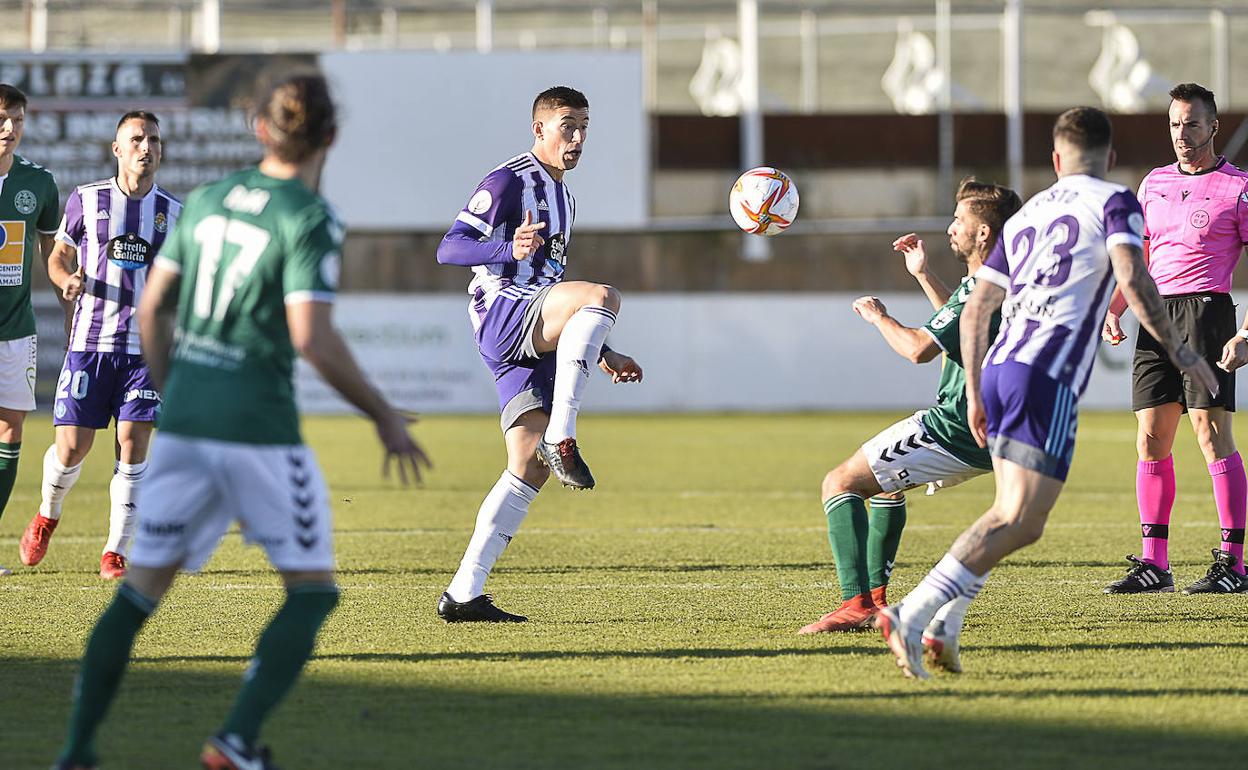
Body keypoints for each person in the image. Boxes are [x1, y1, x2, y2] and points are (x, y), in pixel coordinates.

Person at [53, 72, 430, 770]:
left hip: (189, 424)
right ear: (330, 138)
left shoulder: (206, 202)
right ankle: (233, 740)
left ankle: (75, 751)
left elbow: (150, 308)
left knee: (138, 596)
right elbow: (312, 337)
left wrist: (177, 390)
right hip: (259, 431)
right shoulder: (310, 215)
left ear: (260, 129)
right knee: (312, 595)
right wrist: (383, 415)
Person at [876, 106, 1219, 680]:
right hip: (1046, 376)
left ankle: (943, 627)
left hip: (1004, 364)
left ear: (1056, 161)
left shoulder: (1030, 211)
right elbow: (1134, 280)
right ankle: (911, 614)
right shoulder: (1116, 202)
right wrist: (1185, 353)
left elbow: (978, 306)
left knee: (1004, 512)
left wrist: (980, 391)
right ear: (1109, 159)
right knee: (1024, 522)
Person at [434, 85, 643, 622]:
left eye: (584, 128)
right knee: (603, 295)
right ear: (539, 129)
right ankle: (562, 436)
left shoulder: (565, 198)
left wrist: (607, 351)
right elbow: (450, 247)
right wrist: (508, 248)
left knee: (527, 468)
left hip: (531, 327)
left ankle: (463, 594)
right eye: (567, 125)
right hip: (504, 312)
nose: (576, 138)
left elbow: (554, 287)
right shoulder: (509, 180)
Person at [802, 179, 1021, 668]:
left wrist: (879, 317)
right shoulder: (995, 277)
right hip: (990, 427)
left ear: (983, 232)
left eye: (959, 220)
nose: (951, 228)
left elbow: (918, 349)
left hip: (957, 425)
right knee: (883, 489)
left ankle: (857, 605)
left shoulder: (987, 286)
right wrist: (923, 275)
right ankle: (875, 598)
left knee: (838, 483)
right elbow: (958, 316)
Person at [19, 111, 180, 579]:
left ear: (160, 149)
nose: (145, 148)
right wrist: (65, 279)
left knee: (133, 442)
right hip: (90, 342)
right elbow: (59, 255)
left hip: (144, 350)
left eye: (152, 139)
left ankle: (115, 550)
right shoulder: (87, 200)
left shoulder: (174, 213)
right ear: (117, 148)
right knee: (71, 448)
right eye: (135, 139)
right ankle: (48, 512)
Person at [1102, 83, 1248, 595]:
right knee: (1151, 438)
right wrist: (1117, 307)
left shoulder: (1238, 187)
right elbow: (1138, 255)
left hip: (1208, 313)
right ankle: (1154, 564)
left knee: (1210, 435)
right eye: (1174, 124)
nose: (1181, 134)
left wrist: (1246, 331)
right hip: (1156, 316)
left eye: (1191, 124)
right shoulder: (1153, 183)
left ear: (1213, 127)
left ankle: (1234, 564)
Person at [0, 84, 60, 576]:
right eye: (2, 118)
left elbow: (50, 253)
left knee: (9, 433)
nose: (9, 129)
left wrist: (68, 290)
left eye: (17, 120)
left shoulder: (38, 183)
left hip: (15, 331)